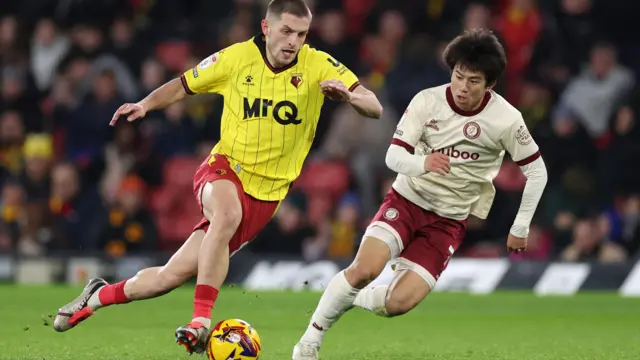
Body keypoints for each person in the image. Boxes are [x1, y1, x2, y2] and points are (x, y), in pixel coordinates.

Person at [52, 0, 382, 354]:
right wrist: (146, 104)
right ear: (267, 27)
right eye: (286, 31)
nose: (293, 42)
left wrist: (349, 97)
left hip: (267, 196)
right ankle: (200, 321)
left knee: (169, 277)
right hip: (225, 168)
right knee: (226, 213)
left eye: (301, 34)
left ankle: (96, 296)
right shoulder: (235, 58)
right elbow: (183, 85)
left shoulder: (318, 64)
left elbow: (373, 105)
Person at [292, 28, 548, 360]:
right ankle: (309, 342)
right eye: (458, 76)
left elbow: (537, 170)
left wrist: (521, 226)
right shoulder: (427, 101)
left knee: (397, 305)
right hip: (406, 201)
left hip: (448, 222)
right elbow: (393, 157)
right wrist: (423, 162)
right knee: (364, 269)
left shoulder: (506, 120)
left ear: (490, 85)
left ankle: (345, 296)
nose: (462, 87)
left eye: (473, 81)